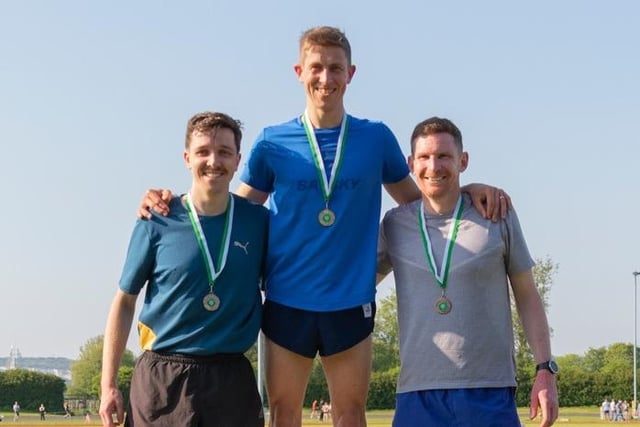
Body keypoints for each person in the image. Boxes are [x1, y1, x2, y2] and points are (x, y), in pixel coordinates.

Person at [138, 27, 509, 427]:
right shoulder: (272, 142)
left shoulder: (376, 138)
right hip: (286, 304)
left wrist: (466, 187)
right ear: (300, 71)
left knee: (350, 414)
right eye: (316, 67)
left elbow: (423, 204)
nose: (326, 78)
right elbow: (227, 211)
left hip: (350, 304)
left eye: (336, 68)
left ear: (351, 73)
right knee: (284, 415)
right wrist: (174, 204)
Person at [376, 117, 559, 427]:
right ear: (410, 163)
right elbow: (357, 285)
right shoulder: (394, 225)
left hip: (489, 390)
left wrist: (545, 369)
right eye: (424, 157)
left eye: (444, 156)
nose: (434, 166)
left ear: (463, 161)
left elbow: (527, 295)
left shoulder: (496, 213)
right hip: (417, 393)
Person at [99, 112, 269, 427]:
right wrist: (107, 384)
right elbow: (124, 300)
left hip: (231, 379)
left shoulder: (258, 222)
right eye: (203, 151)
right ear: (187, 157)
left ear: (237, 160)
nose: (213, 160)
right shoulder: (157, 218)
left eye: (224, 152)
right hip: (162, 378)